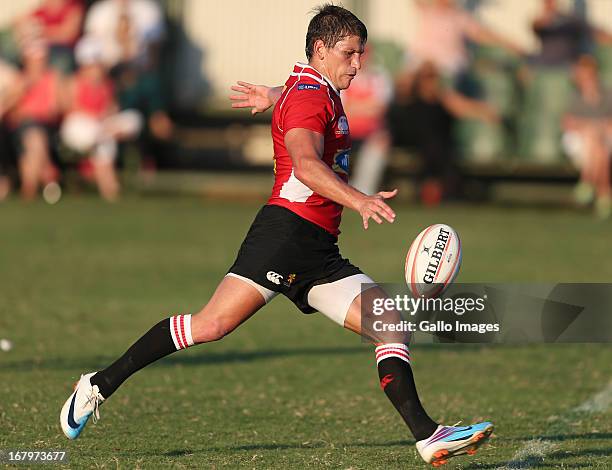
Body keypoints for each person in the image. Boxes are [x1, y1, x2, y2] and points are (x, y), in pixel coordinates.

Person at [59, 5, 493, 466]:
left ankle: (429, 436)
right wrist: (359, 199)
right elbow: (306, 166)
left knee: (388, 324)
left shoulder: (314, 88)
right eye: (350, 54)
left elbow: (299, 94)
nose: (358, 64)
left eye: (361, 54)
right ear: (321, 50)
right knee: (210, 325)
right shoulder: (311, 97)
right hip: (284, 237)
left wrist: (272, 93)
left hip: (318, 249)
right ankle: (96, 386)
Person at [389, 61, 499, 204]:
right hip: (419, 145)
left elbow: (464, 107)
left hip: (441, 147)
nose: (431, 81)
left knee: (439, 150)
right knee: (434, 149)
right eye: (427, 77)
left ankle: (441, 191)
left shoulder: (443, 98)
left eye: (433, 77)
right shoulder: (410, 98)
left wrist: (485, 112)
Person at [60, 35, 142, 201]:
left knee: (133, 120)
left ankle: (109, 187)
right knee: (101, 136)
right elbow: (69, 108)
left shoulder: (107, 84)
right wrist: (97, 117)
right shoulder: (74, 82)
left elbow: (112, 108)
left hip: (100, 127)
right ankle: (110, 187)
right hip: (78, 127)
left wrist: (107, 114)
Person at [7, 40, 62, 201]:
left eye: (40, 59)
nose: (38, 63)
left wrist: (32, 113)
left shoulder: (52, 78)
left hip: (44, 126)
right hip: (20, 127)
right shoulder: (18, 79)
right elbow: (8, 110)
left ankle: (30, 189)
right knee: (32, 138)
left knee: (33, 141)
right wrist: (22, 89)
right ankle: (47, 175)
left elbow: (55, 109)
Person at [562, 55, 612, 219]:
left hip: (602, 139)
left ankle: (587, 181)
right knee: (596, 143)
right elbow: (568, 123)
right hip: (579, 140)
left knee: (598, 146)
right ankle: (604, 194)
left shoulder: (607, 94)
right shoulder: (573, 95)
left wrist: (595, 127)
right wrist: (593, 126)